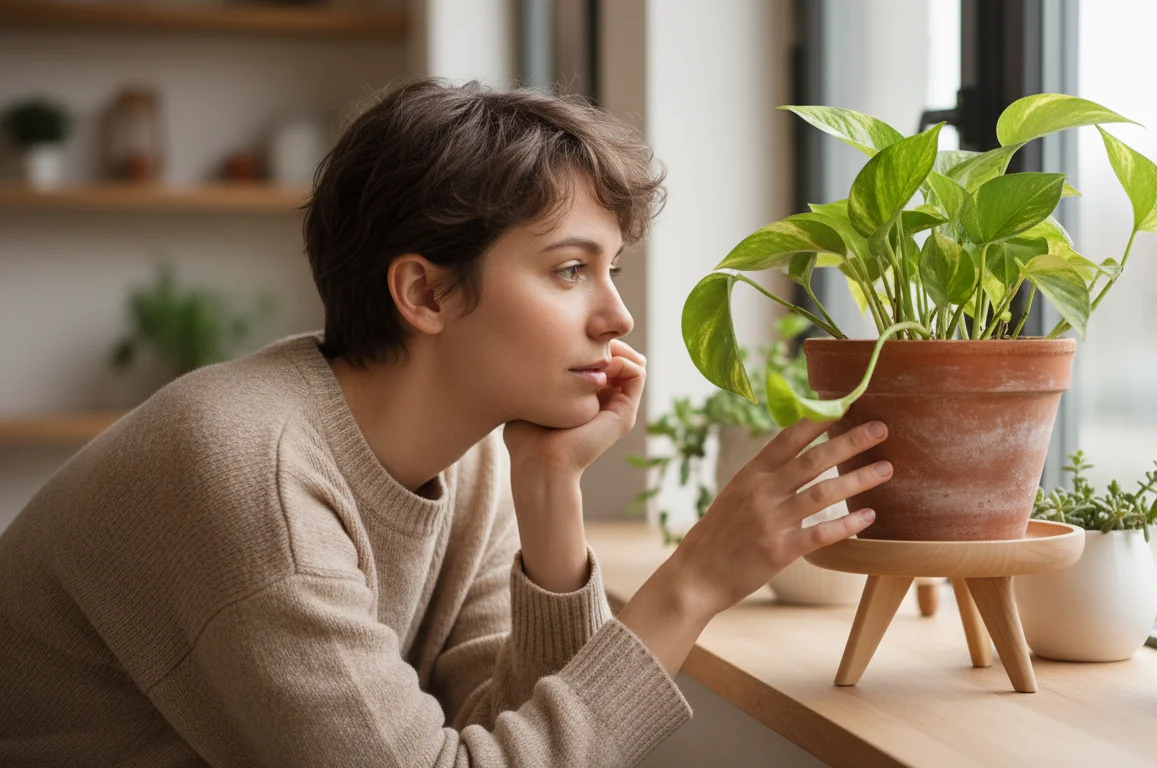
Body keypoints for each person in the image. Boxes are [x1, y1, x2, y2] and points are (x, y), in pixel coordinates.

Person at [0, 78, 892, 767]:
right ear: (425, 291)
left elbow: (503, 730)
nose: (618, 318)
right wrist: (692, 583)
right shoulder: (252, 472)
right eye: (570, 270)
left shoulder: (467, 457)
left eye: (610, 269)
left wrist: (550, 488)